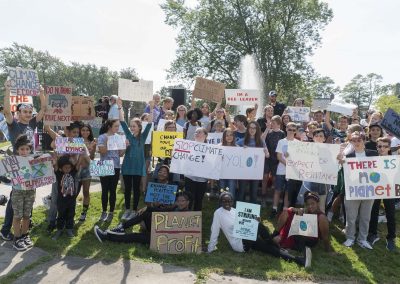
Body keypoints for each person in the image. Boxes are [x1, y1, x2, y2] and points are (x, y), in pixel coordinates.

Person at [207, 192, 311, 267]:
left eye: (229, 200)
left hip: (249, 237)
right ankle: (274, 242)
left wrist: (256, 219)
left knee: (271, 250)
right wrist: (210, 248)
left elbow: (247, 222)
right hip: (239, 244)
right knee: (259, 226)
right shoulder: (218, 213)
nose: (226, 203)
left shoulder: (236, 211)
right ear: (220, 202)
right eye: (224, 201)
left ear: (232, 201)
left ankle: (300, 261)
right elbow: (214, 231)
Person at [0, 80, 46, 242]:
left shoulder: (32, 124)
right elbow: (6, 111)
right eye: (24, 111)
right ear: (18, 113)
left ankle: (22, 228)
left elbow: (43, 109)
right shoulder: (14, 125)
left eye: (29, 111)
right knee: (15, 200)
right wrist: (7, 90)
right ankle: (7, 230)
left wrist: (41, 93)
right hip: (17, 166)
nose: (28, 113)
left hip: (30, 166)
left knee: (26, 199)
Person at [94, 191, 191, 244]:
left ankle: (106, 236)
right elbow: (161, 212)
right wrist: (149, 207)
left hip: (164, 239)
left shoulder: (190, 215)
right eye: (179, 201)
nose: (180, 203)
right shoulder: (174, 208)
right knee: (146, 213)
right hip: (158, 229)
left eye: (183, 201)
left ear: (188, 202)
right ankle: (122, 227)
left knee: (135, 237)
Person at [339, 131, 378, 249]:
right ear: (350, 142)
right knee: (351, 217)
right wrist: (340, 162)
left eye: (358, 140)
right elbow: (341, 172)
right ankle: (350, 238)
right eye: (353, 140)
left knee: (365, 217)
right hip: (352, 191)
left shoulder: (373, 154)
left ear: (364, 141)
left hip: (369, 190)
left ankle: (362, 239)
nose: (356, 142)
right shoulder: (347, 156)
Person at [118, 99, 153, 220]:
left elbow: (149, 123)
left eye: (134, 126)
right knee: (127, 189)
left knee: (137, 189)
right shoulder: (127, 135)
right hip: (127, 166)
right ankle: (127, 210)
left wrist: (151, 108)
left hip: (138, 167)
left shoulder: (143, 137)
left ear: (139, 127)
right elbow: (122, 121)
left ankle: (134, 210)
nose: (132, 127)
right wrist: (119, 107)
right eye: (131, 126)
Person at [367, 137, 396, 251]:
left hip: (390, 189)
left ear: (389, 148)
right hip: (375, 189)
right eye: (380, 146)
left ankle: (391, 237)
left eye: (385, 146)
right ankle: (372, 234)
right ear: (376, 147)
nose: (382, 148)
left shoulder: (395, 160)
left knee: (390, 213)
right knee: (373, 211)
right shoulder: (371, 160)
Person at [9, 135, 36, 251]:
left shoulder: (35, 161)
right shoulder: (12, 162)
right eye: (22, 149)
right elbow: (7, 175)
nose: (24, 152)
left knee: (26, 215)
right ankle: (17, 238)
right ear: (17, 150)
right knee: (17, 216)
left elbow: (43, 173)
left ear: (30, 149)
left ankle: (25, 235)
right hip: (18, 192)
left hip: (30, 191)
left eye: (27, 149)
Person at [97, 119, 126, 222]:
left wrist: (125, 146)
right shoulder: (102, 137)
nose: (117, 128)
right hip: (104, 165)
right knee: (104, 190)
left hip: (115, 166)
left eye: (118, 126)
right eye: (116, 126)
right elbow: (103, 151)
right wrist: (107, 141)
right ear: (109, 126)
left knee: (112, 190)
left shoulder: (118, 137)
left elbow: (120, 154)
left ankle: (111, 212)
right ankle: (104, 211)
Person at [237, 121, 269, 204]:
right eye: (250, 128)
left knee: (254, 193)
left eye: (254, 128)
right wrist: (240, 149)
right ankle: (239, 213)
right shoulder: (242, 141)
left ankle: (252, 214)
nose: (252, 130)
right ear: (248, 129)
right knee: (241, 192)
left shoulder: (261, 141)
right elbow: (233, 150)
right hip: (243, 172)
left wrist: (266, 151)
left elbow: (267, 155)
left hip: (255, 172)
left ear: (257, 129)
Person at [262, 115, 285, 213]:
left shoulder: (282, 133)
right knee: (265, 177)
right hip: (267, 158)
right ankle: (263, 198)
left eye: (273, 122)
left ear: (279, 124)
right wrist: (267, 128)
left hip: (277, 160)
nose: (271, 123)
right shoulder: (269, 131)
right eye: (271, 122)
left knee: (275, 179)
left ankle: (274, 200)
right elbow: (262, 140)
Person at [52, 156, 79, 240]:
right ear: (61, 168)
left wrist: (81, 154)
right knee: (61, 214)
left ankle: (69, 229)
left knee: (71, 214)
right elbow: (55, 166)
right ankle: (59, 230)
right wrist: (55, 159)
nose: (68, 169)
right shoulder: (59, 174)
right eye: (65, 167)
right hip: (61, 200)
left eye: (69, 167)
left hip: (71, 199)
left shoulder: (73, 172)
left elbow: (77, 164)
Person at [274, 122, 298, 211]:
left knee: (288, 192)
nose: (291, 131)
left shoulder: (298, 143)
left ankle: (285, 210)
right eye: (289, 129)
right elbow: (279, 156)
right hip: (281, 170)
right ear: (286, 129)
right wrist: (288, 165)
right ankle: (274, 208)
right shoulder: (281, 141)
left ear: (296, 131)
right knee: (277, 190)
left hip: (292, 172)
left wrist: (291, 167)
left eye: (293, 130)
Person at [184, 127, 209, 211]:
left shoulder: (211, 149)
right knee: (188, 200)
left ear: (205, 135)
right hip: (189, 177)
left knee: (199, 201)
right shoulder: (188, 146)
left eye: (199, 132)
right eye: (196, 132)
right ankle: (186, 219)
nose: (197, 134)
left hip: (202, 179)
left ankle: (195, 221)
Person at [77, 123, 96, 221]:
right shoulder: (76, 141)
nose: (85, 132)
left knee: (86, 192)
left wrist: (92, 149)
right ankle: (70, 212)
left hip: (87, 170)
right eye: (83, 130)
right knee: (74, 192)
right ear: (80, 131)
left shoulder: (92, 142)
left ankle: (84, 212)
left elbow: (92, 157)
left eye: (87, 130)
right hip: (77, 169)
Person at [219, 128, 238, 200]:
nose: (229, 137)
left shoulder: (237, 148)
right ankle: (221, 209)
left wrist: (244, 150)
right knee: (222, 193)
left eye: (231, 135)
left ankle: (231, 209)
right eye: (227, 135)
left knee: (231, 193)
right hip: (222, 175)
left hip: (232, 176)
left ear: (233, 137)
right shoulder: (219, 147)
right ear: (224, 137)